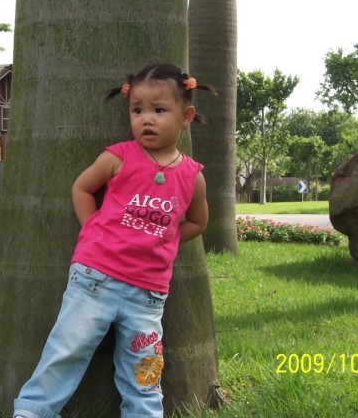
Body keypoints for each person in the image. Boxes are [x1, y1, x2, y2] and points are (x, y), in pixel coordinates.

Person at [14, 63, 215, 418]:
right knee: (66, 351)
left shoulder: (191, 176)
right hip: (95, 279)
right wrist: (93, 229)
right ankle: (32, 412)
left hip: (148, 295)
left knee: (145, 373)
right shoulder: (119, 156)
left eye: (159, 110)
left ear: (185, 116)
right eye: (137, 110)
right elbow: (82, 188)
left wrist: (165, 237)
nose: (146, 119)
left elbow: (198, 222)